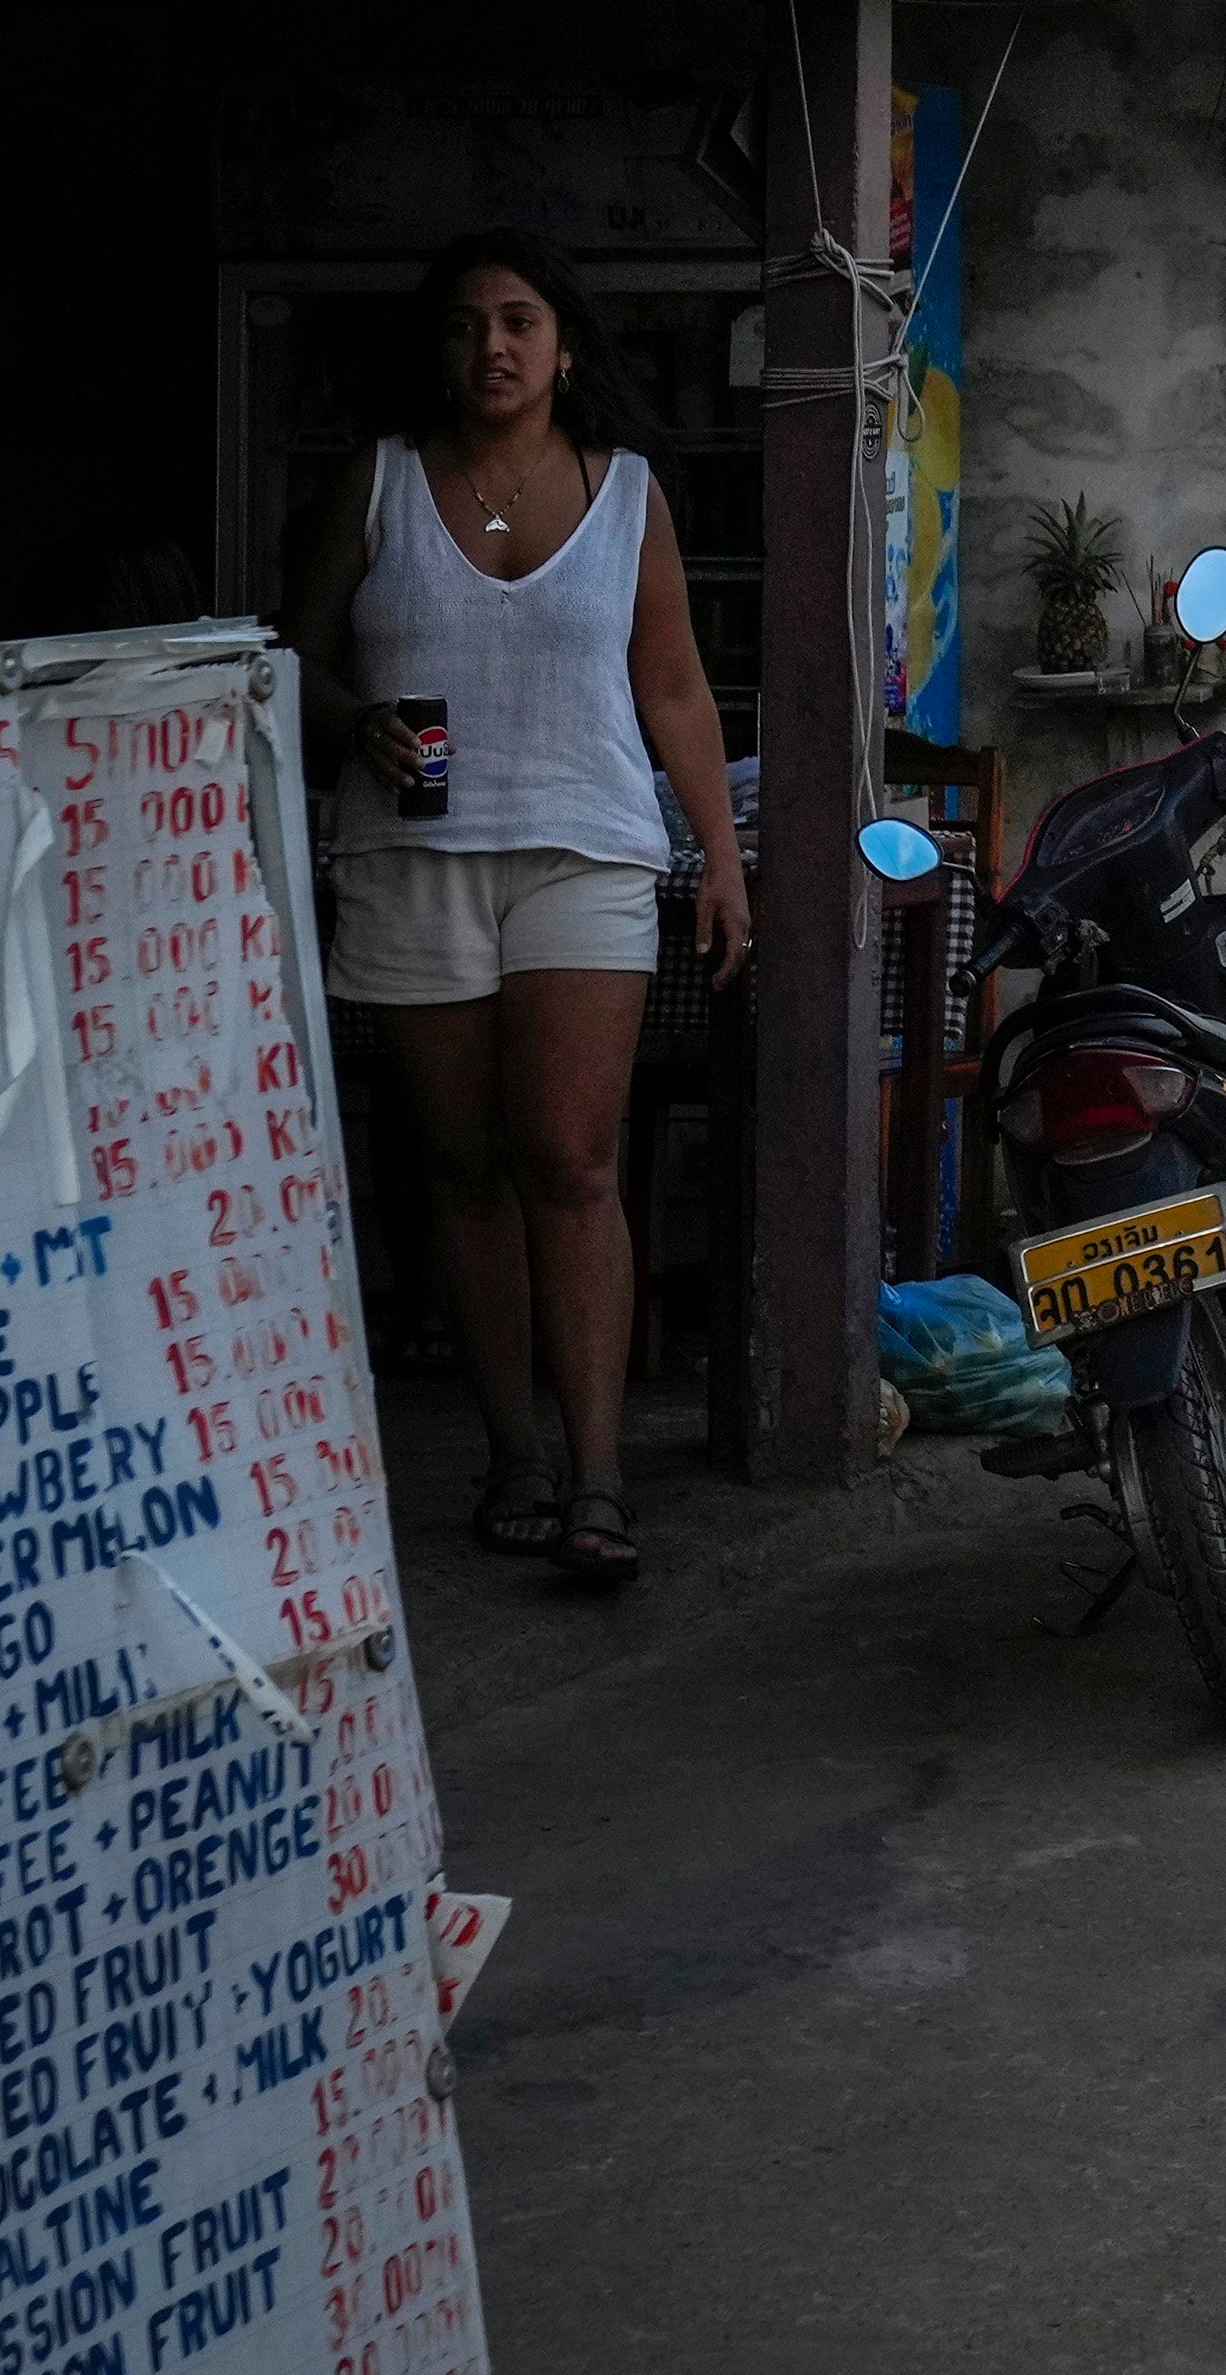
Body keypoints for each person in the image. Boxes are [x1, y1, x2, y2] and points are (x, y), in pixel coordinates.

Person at [282, 233, 748, 1593]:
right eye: (466, 324)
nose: (491, 347)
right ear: (437, 349)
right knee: (464, 1166)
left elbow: (673, 689)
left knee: (570, 1159)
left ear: (563, 347)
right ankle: (514, 1457)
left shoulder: (628, 494)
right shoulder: (375, 482)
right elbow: (294, 657)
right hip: (413, 855)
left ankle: (599, 1471)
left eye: (519, 322)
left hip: (586, 853)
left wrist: (718, 855)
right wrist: (355, 716)